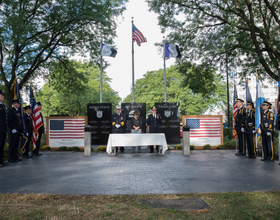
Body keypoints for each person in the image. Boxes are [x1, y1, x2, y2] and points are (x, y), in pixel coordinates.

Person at [0, 90, 9, 167]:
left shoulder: (3, 106)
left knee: (2, 146)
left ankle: (1, 161)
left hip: (3, 130)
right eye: (1, 95)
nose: (3, 97)